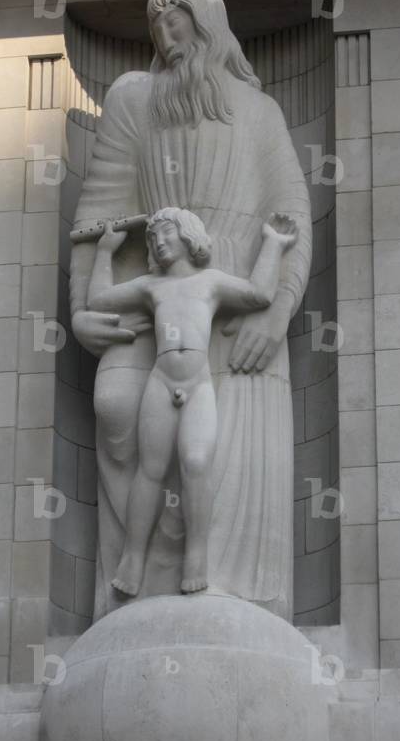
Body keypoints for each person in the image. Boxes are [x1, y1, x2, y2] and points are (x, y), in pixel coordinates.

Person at [70, 0, 312, 620]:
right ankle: (137, 577)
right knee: (114, 402)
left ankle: (221, 589)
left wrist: (281, 306)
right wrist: (80, 308)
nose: (166, 37)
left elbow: (291, 216)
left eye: (177, 22)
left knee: (210, 456)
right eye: (155, 26)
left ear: (207, 25)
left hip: (237, 309)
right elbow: (98, 213)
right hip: (153, 300)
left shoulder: (260, 113)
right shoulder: (132, 98)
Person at [87, 208, 298, 596]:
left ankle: (196, 557)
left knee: (196, 462)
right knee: (150, 469)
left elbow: (259, 293)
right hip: (161, 381)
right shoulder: (151, 286)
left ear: (189, 236)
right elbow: (100, 300)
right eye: (152, 239)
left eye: (166, 234)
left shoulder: (211, 282)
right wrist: (105, 251)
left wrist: (273, 243)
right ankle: (133, 558)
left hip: (198, 383)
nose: (159, 243)